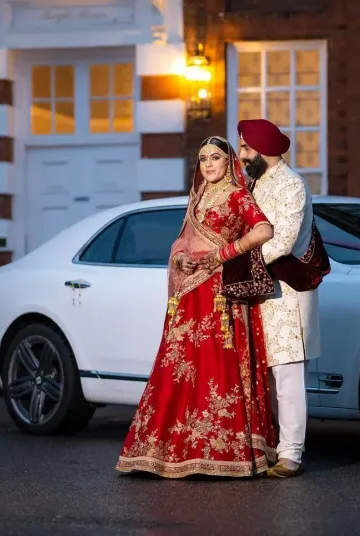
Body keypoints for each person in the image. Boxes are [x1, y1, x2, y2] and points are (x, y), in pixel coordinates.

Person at [115, 136, 278, 479]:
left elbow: (264, 230)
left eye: (215, 158)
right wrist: (180, 257)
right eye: (203, 159)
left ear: (228, 162)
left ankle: (222, 452)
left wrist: (224, 254)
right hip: (191, 293)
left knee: (215, 365)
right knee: (181, 366)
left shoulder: (237, 195)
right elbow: (182, 239)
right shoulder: (198, 196)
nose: (208, 164)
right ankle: (170, 452)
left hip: (219, 294)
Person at [205, 118, 327, 478]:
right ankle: (269, 447)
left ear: (263, 149)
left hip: (286, 295)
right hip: (257, 294)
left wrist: (231, 259)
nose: (240, 156)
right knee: (264, 379)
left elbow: (282, 242)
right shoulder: (256, 183)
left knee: (288, 378)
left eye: (244, 148)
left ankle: (291, 456)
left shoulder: (292, 185)